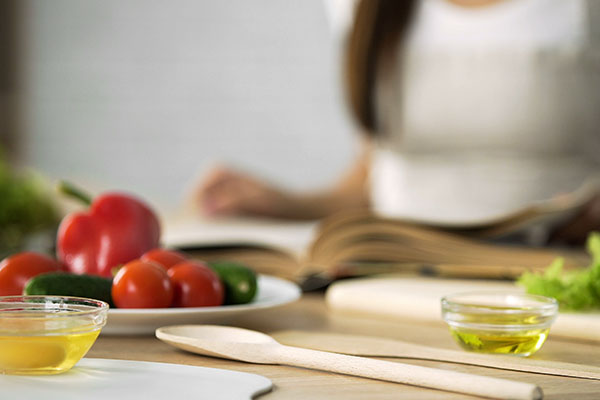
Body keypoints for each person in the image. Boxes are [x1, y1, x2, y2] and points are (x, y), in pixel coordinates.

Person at [197, 0, 600, 246]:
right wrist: (285, 203)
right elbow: (375, 179)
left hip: (549, 284)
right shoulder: (364, 8)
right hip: (395, 283)